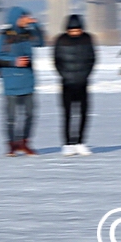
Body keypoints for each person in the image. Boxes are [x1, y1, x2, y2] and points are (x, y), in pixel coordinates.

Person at [0, 7, 45, 156]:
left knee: (30, 114)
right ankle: (12, 144)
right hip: (11, 82)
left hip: (28, 80)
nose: (25, 19)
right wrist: (15, 61)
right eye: (23, 17)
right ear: (15, 18)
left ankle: (24, 142)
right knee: (11, 117)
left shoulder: (28, 34)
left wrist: (35, 25)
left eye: (26, 17)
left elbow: (40, 42)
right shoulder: (5, 36)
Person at [52, 14, 97, 155]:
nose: (75, 33)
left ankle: (80, 142)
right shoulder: (60, 40)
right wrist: (64, 75)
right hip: (67, 83)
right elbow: (56, 61)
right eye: (72, 30)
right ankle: (67, 143)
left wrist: (86, 75)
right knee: (67, 114)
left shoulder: (87, 39)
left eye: (77, 30)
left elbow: (92, 59)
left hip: (83, 82)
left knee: (84, 113)